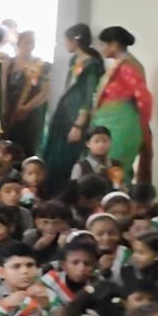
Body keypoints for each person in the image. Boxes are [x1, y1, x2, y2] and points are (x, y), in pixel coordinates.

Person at [44, 22, 107, 195]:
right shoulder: (74, 60)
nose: (65, 44)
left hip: (76, 117)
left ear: (75, 41)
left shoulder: (92, 64)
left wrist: (79, 124)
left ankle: (67, 193)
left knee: (68, 157)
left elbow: (90, 95)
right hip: (64, 112)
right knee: (55, 156)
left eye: (66, 40)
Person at [91, 24, 152, 184]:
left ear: (114, 45)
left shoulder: (128, 67)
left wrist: (143, 125)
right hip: (110, 124)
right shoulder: (119, 64)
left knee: (115, 168)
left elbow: (144, 98)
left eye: (103, 44)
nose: (101, 48)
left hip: (121, 126)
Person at [2, 29, 50, 156]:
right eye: (26, 42)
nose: (29, 46)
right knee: (9, 147)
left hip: (31, 113)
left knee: (29, 147)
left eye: (32, 43)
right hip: (11, 110)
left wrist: (26, 108)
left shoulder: (41, 65)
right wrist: (5, 108)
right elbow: (3, 88)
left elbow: (45, 92)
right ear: (19, 44)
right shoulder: (9, 64)